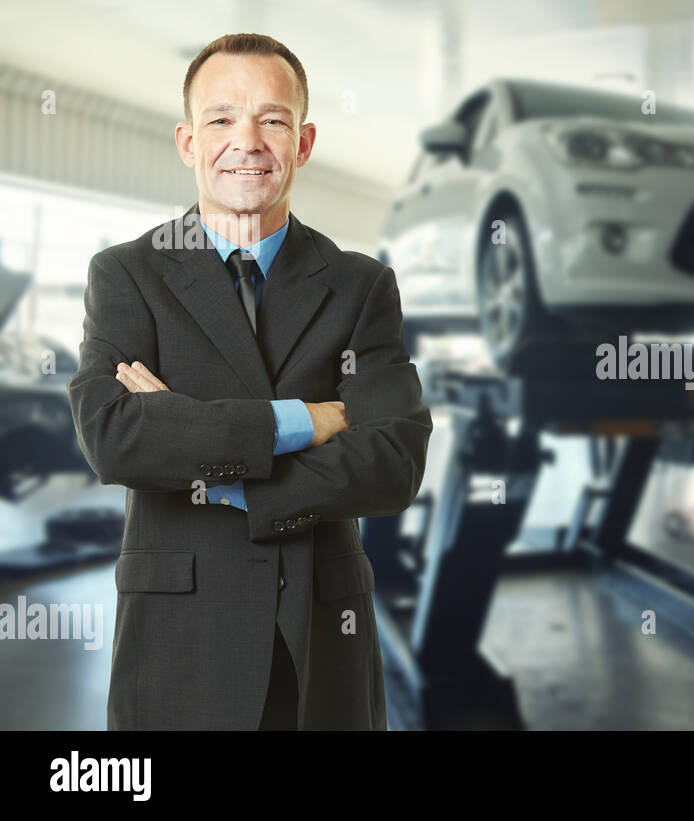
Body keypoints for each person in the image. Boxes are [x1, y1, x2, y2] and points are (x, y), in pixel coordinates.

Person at [66, 32, 432, 730]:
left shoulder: (359, 285)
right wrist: (305, 420)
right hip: (179, 642)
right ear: (186, 141)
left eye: (273, 119)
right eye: (222, 118)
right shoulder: (127, 275)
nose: (248, 140)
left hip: (322, 638)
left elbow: (394, 461)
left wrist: (204, 456)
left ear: (303, 142)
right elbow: (115, 438)